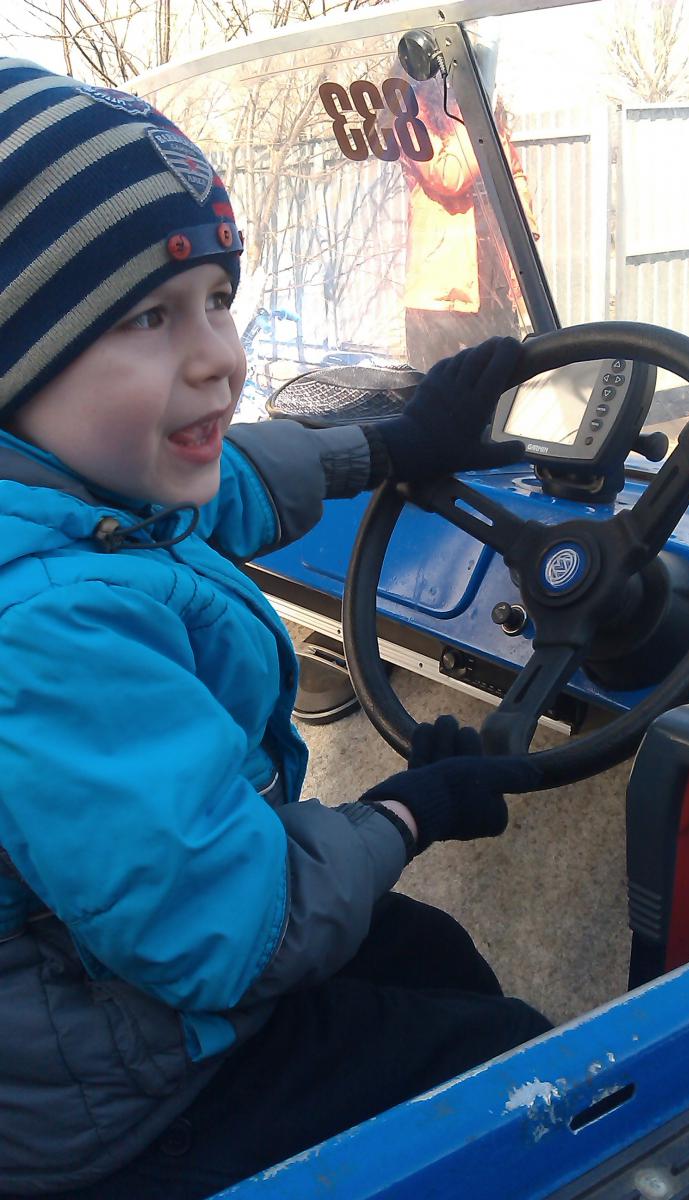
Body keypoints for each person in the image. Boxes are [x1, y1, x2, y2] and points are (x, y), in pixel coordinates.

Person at [0, 58, 551, 1200]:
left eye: (217, 299)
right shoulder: (45, 628)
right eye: (149, 316)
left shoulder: (69, 499)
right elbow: (224, 935)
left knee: (431, 955)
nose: (220, 355)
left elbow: (221, 490)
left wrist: (390, 446)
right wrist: (406, 813)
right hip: (124, 1105)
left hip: (121, 998)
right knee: (523, 1087)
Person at [402, 78, 541, 372]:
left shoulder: (483, 117)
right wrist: (475, 119)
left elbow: (513, 173)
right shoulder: (415, 116)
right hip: (442, 295)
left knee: (504, 383)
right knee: (441, 390)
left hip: (493, 284)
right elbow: (448, 175)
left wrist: (525, 233)